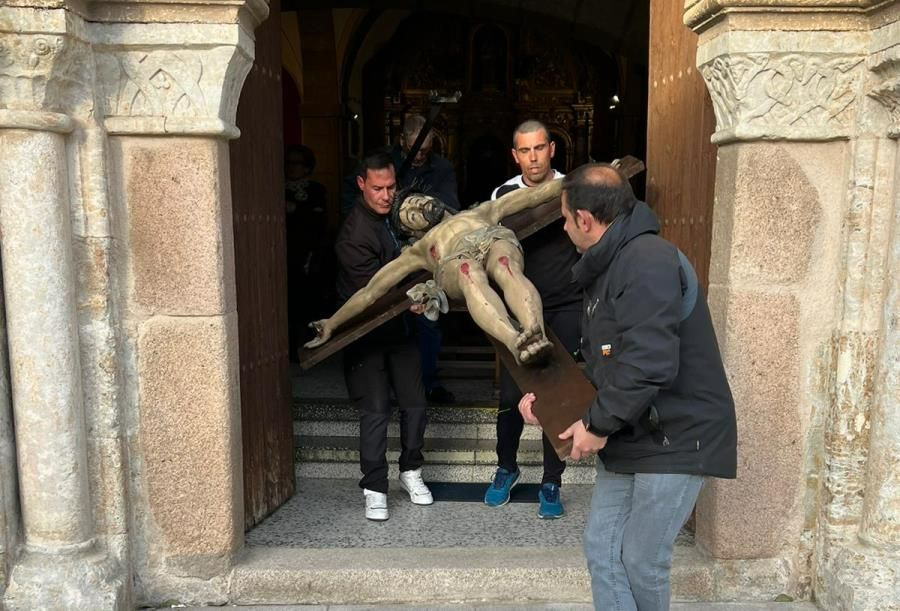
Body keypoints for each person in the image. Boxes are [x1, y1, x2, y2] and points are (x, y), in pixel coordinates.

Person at [519, 163, 738, 610]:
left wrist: (598, 424)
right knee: (602, 549)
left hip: (675, 437)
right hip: (632, 432)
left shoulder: (647, 260)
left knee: (641, 559)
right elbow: (609, 361)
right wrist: (554, 405)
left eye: (563, 218)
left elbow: (648, 361)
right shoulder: (610, 264)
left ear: (584, 219)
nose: (563, 228)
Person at [304, 172, 566, 369]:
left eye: (418, 201)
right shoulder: (419, 249)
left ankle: (535, 331)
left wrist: (597, 174)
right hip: (455, 260)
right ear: (412, 231)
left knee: (505, 266)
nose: (419, 207)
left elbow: (536, 194)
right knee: (469, 274)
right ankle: (514, 342)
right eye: (411, 214)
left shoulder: (481, 210)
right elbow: (371, 291)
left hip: (492, 237)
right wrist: (332, 322)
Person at [483, 120, 582, 519]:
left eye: (540, 148)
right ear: (515, 154)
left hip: (567, 303)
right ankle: (506, 468)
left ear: (552, 148)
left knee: (557, 393)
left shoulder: (573, 188)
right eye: (525, 151)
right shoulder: (502, 195)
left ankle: (552, 480)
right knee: (511, 396)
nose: (533, 157)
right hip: (520, 310)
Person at [333, 149, 434, 521]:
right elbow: (377, 291)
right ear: (362, 184)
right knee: (375, 411)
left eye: (391, 187)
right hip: (365, 332)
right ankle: (375, 487)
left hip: (400, 329)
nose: (386, 195)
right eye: (378, 188)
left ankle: (411, 472)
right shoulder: (353, 235)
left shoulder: (391, 216)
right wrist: (415, 295)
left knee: (415, 404)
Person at [340, 115, 460, 405]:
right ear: (402, 141)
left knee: (427, 319)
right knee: (381, 313)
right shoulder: (383, 164)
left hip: (424, 253)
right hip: (382, 248)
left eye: (425, 152)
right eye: (415, 150)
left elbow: (451, 209)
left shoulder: (441, 169)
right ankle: (382, 386)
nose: (419, 157)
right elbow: (352, 195)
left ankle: (428, 382)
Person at [284, 144, 330, 361]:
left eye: (297, 163)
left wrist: (296, 209)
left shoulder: (316, 191)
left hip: (309, 255)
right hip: (284, 254)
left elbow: (318, 222)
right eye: (289, 163)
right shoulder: (276, 189)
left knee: (308, 305)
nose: (292, 168)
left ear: (307, 168)